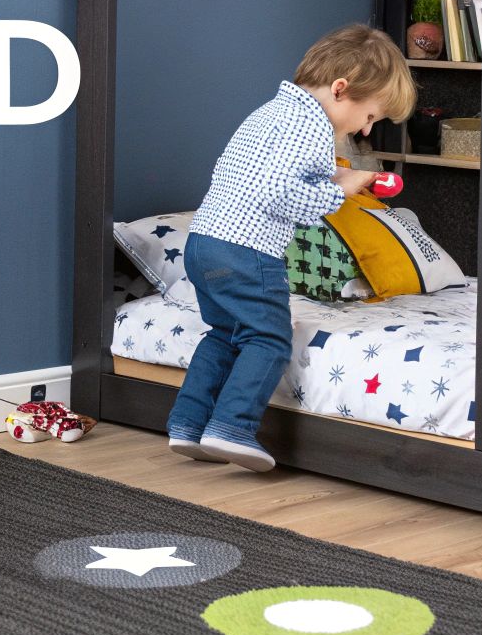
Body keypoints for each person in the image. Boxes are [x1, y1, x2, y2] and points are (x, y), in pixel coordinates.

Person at [167, 24, 416, 472]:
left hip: (206, 245)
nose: (366, 129)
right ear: (341, 90)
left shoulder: (272, 114)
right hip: (247, 252)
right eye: (371, 116)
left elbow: (276, 179)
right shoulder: (311, 128)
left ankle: (187, 424)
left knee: (224, 335)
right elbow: (280, 195)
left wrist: (346, 180)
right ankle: (232, 428)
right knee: (268, 339)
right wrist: (337, 194)